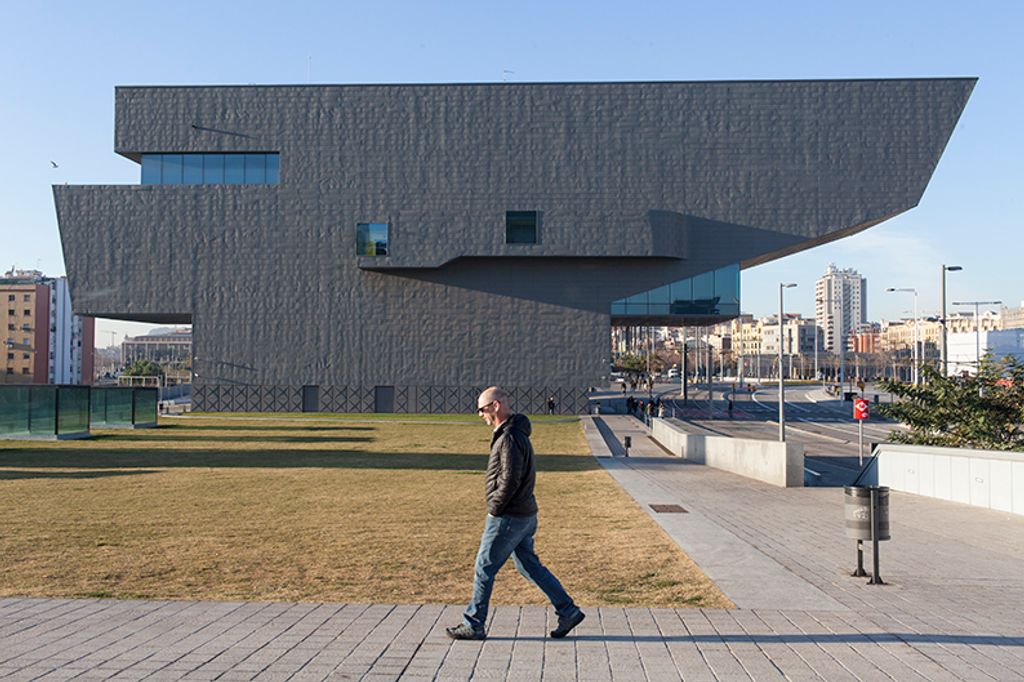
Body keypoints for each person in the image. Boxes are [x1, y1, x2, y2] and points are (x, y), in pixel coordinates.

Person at [446, 386, 585, 641]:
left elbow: (509, 478)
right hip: (524, 514)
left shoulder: (509, 437)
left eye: (482, 409)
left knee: (484, 567)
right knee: (529, 566)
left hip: (509, 516)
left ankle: (474, 623)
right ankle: (568, 611)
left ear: (496, 406)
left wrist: (494, 509)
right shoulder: (514, 433)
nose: (480, 415)